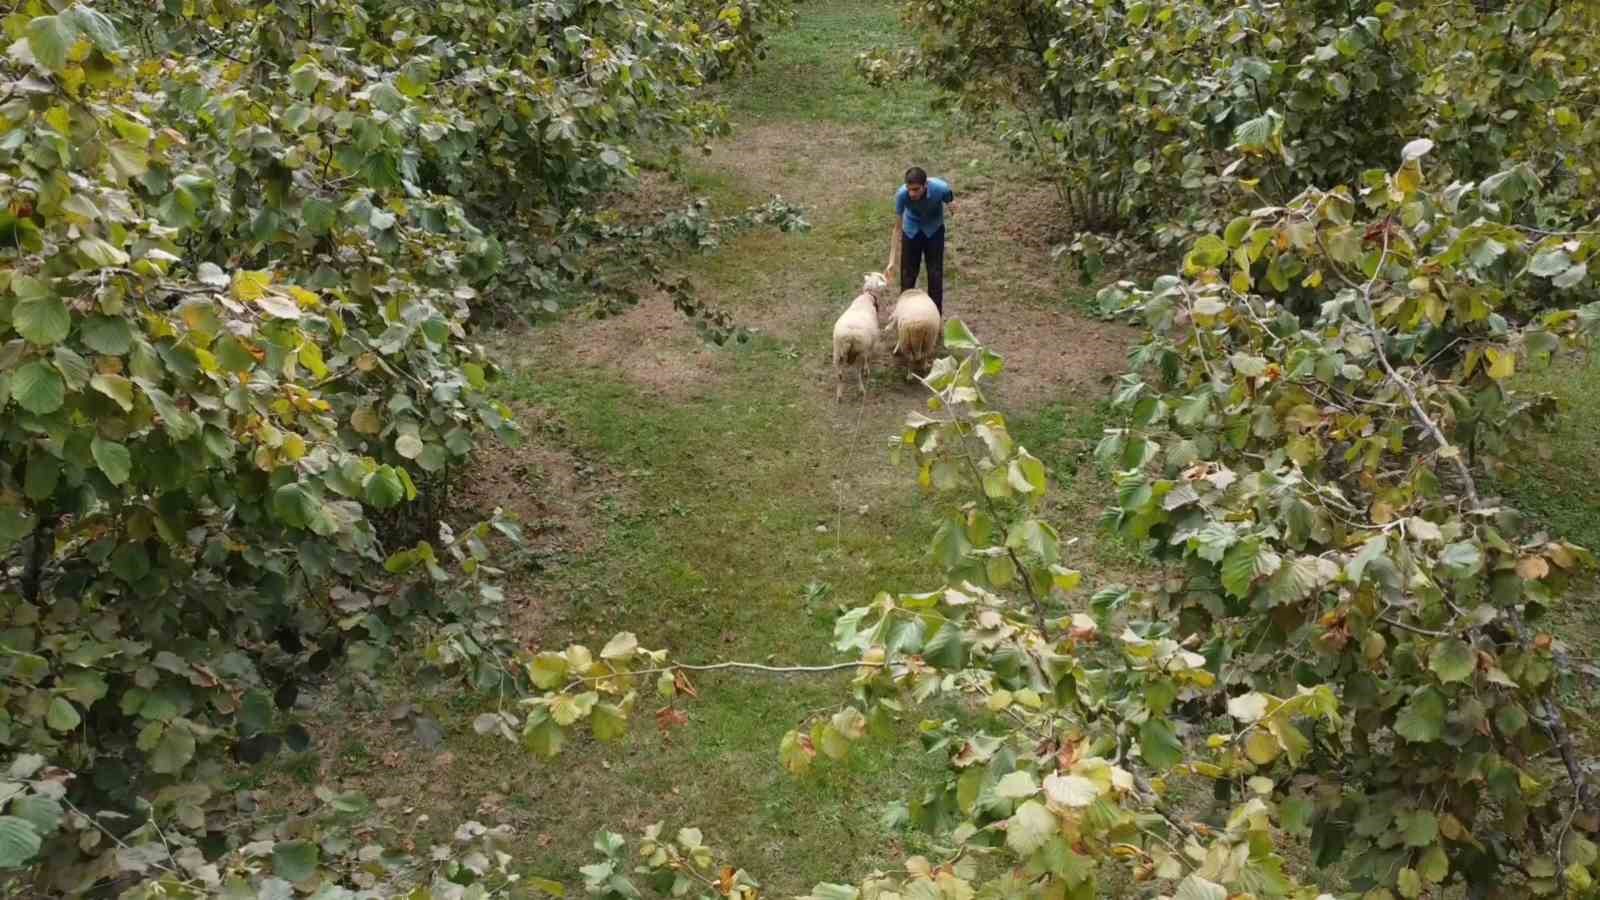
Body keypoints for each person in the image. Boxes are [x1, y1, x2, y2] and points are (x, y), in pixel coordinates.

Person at [894, 166, 954, 313]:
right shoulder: (902, 195)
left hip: (934, 230)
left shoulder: (941, 189)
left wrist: (953, 208)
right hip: (911, 231)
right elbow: (898, 221)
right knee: (908, 274)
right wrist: (897, 243)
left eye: (915, 189)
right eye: (909, 189)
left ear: (925, 185)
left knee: (935, 273)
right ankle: (904, 313)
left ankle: (935, 315)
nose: (911, 193)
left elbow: (951, 202)